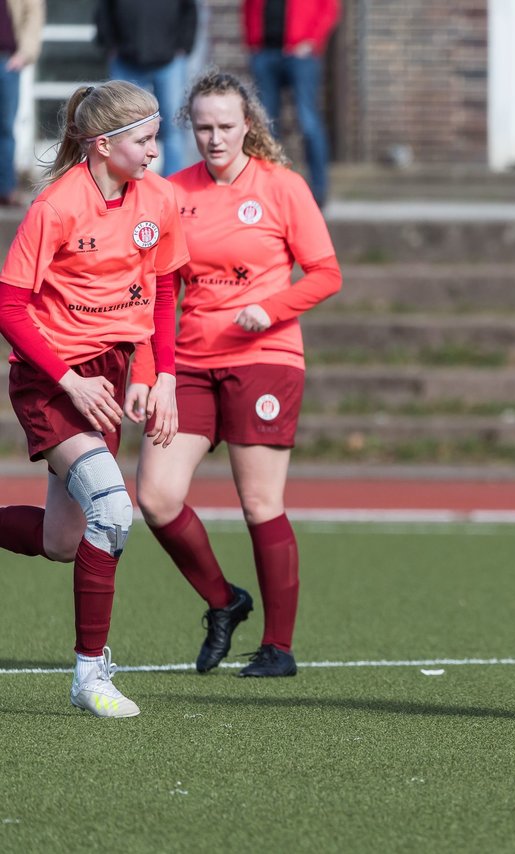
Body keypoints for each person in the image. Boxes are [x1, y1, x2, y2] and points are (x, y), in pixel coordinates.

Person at [125, 69, 342, 678]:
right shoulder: (170, 193)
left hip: (264, 360)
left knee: (259, 502)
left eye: (225, 126)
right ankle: (224, 602)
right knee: (158, 497)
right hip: (189, 363)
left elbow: (326, 273)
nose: (214, 138)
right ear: (187, 128)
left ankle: (278, 647)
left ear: (248, 124)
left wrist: (268, 309)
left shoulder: (282, 187)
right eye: (202, 128)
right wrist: (147, 372)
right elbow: (154, 293)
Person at [0, 80, 185, 717]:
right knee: (112, 511)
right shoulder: (56, 206)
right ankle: (90, 676)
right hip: (51, 377)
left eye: (155, 137)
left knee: (60, 540)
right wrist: (68, 379)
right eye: (143, 141)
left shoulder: (158, 199)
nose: (155, 152)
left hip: (109, 374)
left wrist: (155, 374)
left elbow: (160, 294)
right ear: (103, 145)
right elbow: (10, 306)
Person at [242, 0, 341, 208]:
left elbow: (329, 8)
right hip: (264, 51)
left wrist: (313, 40)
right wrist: (252, 41)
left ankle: (319, 190)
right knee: (264, 126)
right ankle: (266, 189)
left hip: (301, 53)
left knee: (308, 121)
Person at [94, 0, 198, 177]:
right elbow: (104, 10)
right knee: (121, 127)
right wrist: (110, 45)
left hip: (169, 61)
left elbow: (189, 10)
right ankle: (123, 180)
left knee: (173, 127)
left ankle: (173, 186)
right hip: (126, 59)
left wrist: (184, 46)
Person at [0, 0, 41, 205]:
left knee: (5, 127)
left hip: (6, 61)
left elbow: (33, 13)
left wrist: (25, 52)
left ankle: (5, 189)